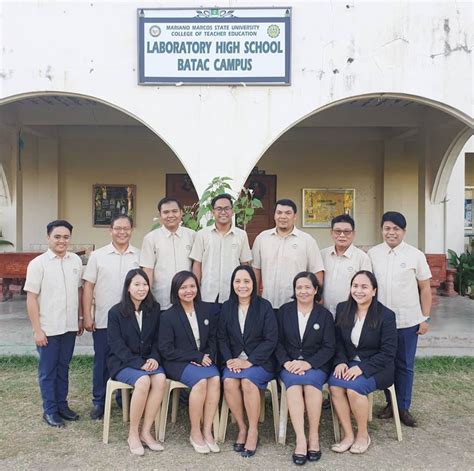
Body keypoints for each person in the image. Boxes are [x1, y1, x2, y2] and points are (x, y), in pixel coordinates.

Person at [368, 212, 432, 427]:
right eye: (387, 228)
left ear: (404, 231)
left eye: (396, 229)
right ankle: (390, 403)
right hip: (381, 322)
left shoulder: (415, 255)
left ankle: (403, 408)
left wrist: (424, 318)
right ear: (382, 230)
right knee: (387, 364)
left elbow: (425, 288)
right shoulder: (373, 254)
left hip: (408, 321)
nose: (391, 232)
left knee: (405, 365)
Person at [329, 270, 397, 454]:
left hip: (378, 367)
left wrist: (362, 368)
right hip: (349, 364)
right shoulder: (343, 308)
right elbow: (338, 342)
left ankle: (362, 434)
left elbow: (388, 352)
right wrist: (341, 362)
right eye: (355, 286)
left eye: (364, 287)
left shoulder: (386, 315)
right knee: (335, 386)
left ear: (374, 291)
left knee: (353, 388)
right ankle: (348, 434)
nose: (359, 291)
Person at [24, 220, 83, 428]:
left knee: (63, 368)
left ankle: (62, 406)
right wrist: (37, 330)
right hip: (47, 329)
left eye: (66, 237)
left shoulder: (75, 261)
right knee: (48, 371)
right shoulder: (38, 264)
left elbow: (78, 291)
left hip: (69, 327)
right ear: (48, 238)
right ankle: (49, 410)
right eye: (57, 236)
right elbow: (31, 298)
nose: (61, 241)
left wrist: (80, 318)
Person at [82, 215, 140, 420]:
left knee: (128, 359)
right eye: (117, 228)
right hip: (104, 318)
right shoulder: (98, 256)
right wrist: (87, 315)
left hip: (132, 322)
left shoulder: (139, 256)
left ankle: (123, 398)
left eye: (126, 228)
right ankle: (99, 400)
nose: (122, 232)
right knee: (102, 361)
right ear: (110, 230)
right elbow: (88, 286)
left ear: (131, 230)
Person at [217, 265, 278, 458]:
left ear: (254, 283)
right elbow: (221, 338)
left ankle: (253, 430)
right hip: (234, 361)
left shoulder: (264, 306)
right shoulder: (227, 307)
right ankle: (242, 427)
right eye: (237, 281)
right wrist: (229, 360)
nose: (242, 285)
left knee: (248, 382)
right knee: (228, 381)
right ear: (232, 284)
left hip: (260, 362)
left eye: (246, 281)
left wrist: (250, 361)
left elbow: (271, 339)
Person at [276, 272, 335, 465]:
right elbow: (276, 342)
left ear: (316, 290)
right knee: (293, 386)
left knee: (311, 385)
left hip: (315, 365)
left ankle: (314, 436)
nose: (303, 291)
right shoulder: (284, 311)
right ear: (294, 290)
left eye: (308, 287)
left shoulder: (324, 315)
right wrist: (286, 363)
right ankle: (301, 439)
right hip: (290, 365)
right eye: (299, 287)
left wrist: (309, 363)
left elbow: (329, 347)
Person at [158, 271, 221, 454]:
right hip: (177, 361)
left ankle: (207, 430)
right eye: (183, 287)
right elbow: (166, 349)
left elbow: (213, 339)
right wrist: (194, 357)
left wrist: (205, 356)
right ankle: (195, 432)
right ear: (176, 290)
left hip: (202, 360)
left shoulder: (205, 310)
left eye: (192, 286)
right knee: (201, 382)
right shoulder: (168, 316)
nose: (188, 291)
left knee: (215, 379)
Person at [107, 268, 166, 456]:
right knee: (143, 381)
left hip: (149, 361)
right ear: (128, 287)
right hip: (123, 363)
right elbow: (116, 345)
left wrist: (154, 358)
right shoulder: (115, 312)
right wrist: (139, 363)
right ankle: (132, 433)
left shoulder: (154, 309)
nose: (142, 288)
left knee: (160, 379)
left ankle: (146, 432)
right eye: (137, 284)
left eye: (145, 284)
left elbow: (159, 339)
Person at [252, 199, 324, 312]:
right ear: (274, 215)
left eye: (288, 213)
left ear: (295, 216)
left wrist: (317, 300)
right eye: (279, 212)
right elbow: (256, 270)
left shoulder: (307, 241)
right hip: (267, 304)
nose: (283, 216)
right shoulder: (262, 238)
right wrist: (254, 298)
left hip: (297, 306)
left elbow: (317, 272)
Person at [191, 193, 252, 304]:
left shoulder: (241, 235)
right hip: (207, 294)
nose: (223, 212)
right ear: (213, 212)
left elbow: (245, 264)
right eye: (219, 209)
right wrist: (195, 290)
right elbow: (197, 264)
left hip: (233, 294)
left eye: (227, 208)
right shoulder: (202, 235)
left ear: (232, 211)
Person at [140, 197, 195, 310]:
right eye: (166, 212)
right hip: (161, 300)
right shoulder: (151, 238)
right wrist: (146, 298)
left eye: (174, 211)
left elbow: (196, 266)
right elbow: (148, 270)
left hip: (188, 299)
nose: (170, 215)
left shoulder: (193, 236)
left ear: (181, 213)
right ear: (160, 215)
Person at [321, 214, 372, 317]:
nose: (342, 235)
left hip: (350, 314)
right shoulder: (322, 254)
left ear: (353, 233)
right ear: (331, 233)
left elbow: (367, 288)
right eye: (338, 231)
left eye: (347, 232)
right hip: (323, 313)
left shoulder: (362, 258)